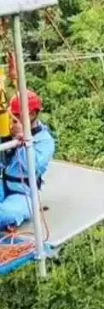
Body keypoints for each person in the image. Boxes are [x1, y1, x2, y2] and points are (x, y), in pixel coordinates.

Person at [0, 90, 55, 229]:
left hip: (22, 192)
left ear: (32, 114)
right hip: (2, 184)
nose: (14, 120)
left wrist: (22, 137)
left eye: (18, 116)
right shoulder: (8, 130)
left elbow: (30, 165)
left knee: (7, 214)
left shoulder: (44, 141)